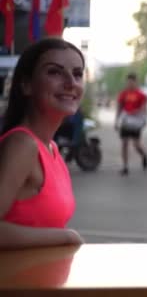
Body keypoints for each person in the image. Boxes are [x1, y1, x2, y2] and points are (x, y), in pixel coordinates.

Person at [0, 38, 85, 249]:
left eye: (77, 74)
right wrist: (66, 237)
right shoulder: (22, 145)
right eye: (54, 72)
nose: (71, 83)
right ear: (26, 85)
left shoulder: (51, 147)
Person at [115, 73, 147, 176]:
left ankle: (144, 155)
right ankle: (125, 167)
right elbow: (119, 108)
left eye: (132, 82)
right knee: (124, 143)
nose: (130, 84)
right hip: (126, 121)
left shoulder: (141, 95)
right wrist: (116, 121)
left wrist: (139, 115)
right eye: (128, 82)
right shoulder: (123, 94)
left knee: (136, 144)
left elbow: (144, 108)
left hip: (136, 121)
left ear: (136, 82)